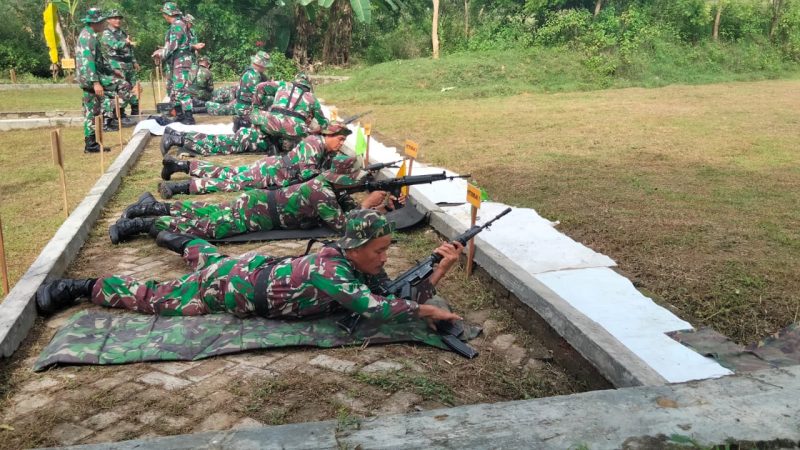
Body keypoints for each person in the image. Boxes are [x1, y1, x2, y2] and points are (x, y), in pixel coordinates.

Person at [36, 210, 464, 328]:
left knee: (204, 253)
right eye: (380, 251)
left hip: (249, 266)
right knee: (155, 297)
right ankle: (77, 287)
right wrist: (427, 310)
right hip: (230, 289)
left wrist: (439, 270)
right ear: (354, 248)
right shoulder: (331, 269)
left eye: (387, 250)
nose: (385, 258)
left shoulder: (358, 265)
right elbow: (377, 309)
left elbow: (390, 294)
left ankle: (160, 229)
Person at [109, 155, 365, 243]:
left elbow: (341, 206)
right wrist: (369, 205)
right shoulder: (323, 193)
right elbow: (343, 227)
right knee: (204, 227)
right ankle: (139, 224)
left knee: (204, 210)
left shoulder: (323, 185)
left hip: (255, 201)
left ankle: (151, 206)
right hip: (254, 215)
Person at [159, 121, 352, 196]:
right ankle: (178, 187)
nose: (341, 143)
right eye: (340, 139)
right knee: (230, 183)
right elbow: (308, 175)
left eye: (343, 140)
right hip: (270, 174)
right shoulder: (314, 144)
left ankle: (178, 165)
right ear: (328, 135)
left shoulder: (321, 146)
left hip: (271, 168)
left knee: (228, 173)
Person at [252, 73, 328, 152]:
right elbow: (324, 123)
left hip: (271, 123)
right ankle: (293, 145)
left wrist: (256, 106)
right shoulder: (312, 97)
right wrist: (315, 131)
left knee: (254, 113)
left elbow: (260, 86)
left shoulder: (283, 85)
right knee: (298, 131)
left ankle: (268, 142)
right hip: (296, 130)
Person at [75, 7, 113, 153]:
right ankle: (91, 144)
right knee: (91, 110)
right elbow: (89, 61)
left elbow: (98, 60)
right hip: (90, 80)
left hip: (90, 79)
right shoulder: (88, 37)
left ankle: (92, 143)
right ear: (94, 23)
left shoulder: (90, 35)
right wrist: (96, 82)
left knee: (93, 110)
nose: (104, 24)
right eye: (101, 22)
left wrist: (111, 71)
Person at [151, 2, 195, 125]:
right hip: (174, 62)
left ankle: (189, 117)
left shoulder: (178, 25)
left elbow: (172, 46)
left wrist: (161, 53)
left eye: (164, 14)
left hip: (181, 62)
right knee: (173, 90)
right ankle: (180, 116)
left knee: (181, 89)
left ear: (167, 14)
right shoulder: (175, 26)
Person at [100, 9, 139, 124]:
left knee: (133, 87)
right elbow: (114, 45)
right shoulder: (107, 33)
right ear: (108, 20)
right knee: (121, 89)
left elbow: (129, 49)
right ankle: (120, 113)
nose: (117, 20)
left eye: (119, 18)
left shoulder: (122, 33)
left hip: (128, 64)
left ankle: (135, 109)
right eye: (114, 18)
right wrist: (126, 43)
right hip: (117, 65)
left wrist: (134, 61)